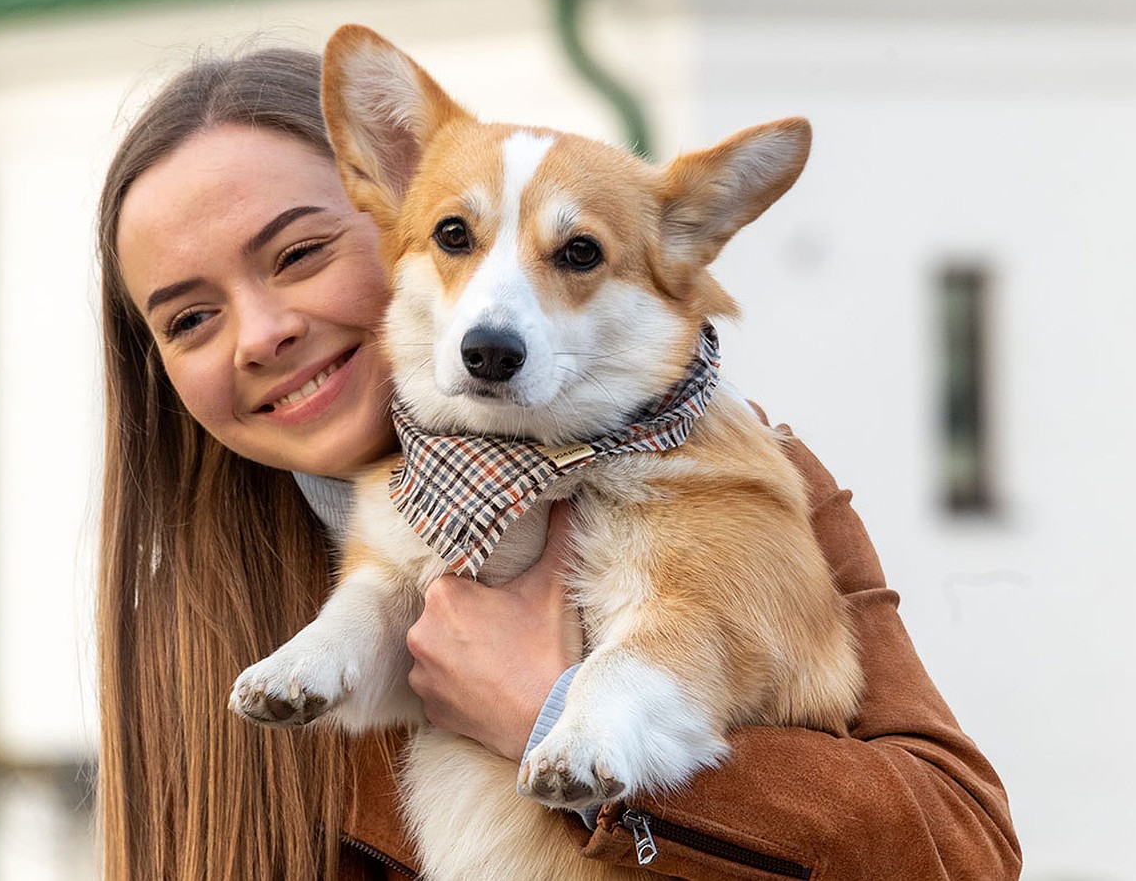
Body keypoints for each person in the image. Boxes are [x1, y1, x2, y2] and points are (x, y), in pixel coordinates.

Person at [96, 46, 1021, 881]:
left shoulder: (735, 473)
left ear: (376, 210)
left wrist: (548, 715)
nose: (263, 334)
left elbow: (960, 848)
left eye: (297, 254)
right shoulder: (192, 633)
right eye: (188, 318)